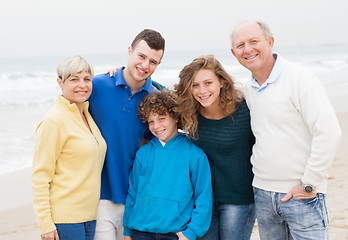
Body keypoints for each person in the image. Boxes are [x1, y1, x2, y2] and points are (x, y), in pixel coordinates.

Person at [231, 20, 342, 240]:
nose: (248, 49)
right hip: (263, 195)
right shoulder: (248, 88)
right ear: (234, 53)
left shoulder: (300, 79)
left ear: (270, 42)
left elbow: (329, 132)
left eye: (254, 41)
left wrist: (309, 183)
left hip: (302, 195)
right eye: (241, 45)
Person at [88, 29, 165, 240]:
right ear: (130, 51)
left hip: (135, 197)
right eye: (141, 56)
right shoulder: (97, 85)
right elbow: (68, 115)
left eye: (153, 61)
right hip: (98, 195)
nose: (145, 65)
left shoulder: (154, 99)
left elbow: (152, 143)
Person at [174, 55, 255, 240]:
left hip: (238, 200)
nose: (202, 91)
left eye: (208, 83)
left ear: (221, 82)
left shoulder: (244, 110)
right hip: (203, 203)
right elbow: (159, 93)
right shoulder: (189, 113)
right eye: (195, 85)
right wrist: (125, 72)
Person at [32, 55, 107, 240]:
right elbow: (40, 177)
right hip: (65, 220)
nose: (82, 85)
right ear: (60, 82)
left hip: (89, 217)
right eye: (74, 79)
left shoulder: (86, 116)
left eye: (87, 79)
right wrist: (45, 224)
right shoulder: (54, 121)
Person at [123, 90, 213, 240]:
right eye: (151, 121)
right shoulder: (143, 154)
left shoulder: (195, 155)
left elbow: (204, 198)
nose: (156, 126)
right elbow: (133, 193)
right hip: (141, 232)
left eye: (161, 118)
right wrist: (127, 230)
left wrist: (191, 232)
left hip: (175, 234)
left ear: (176, 117)